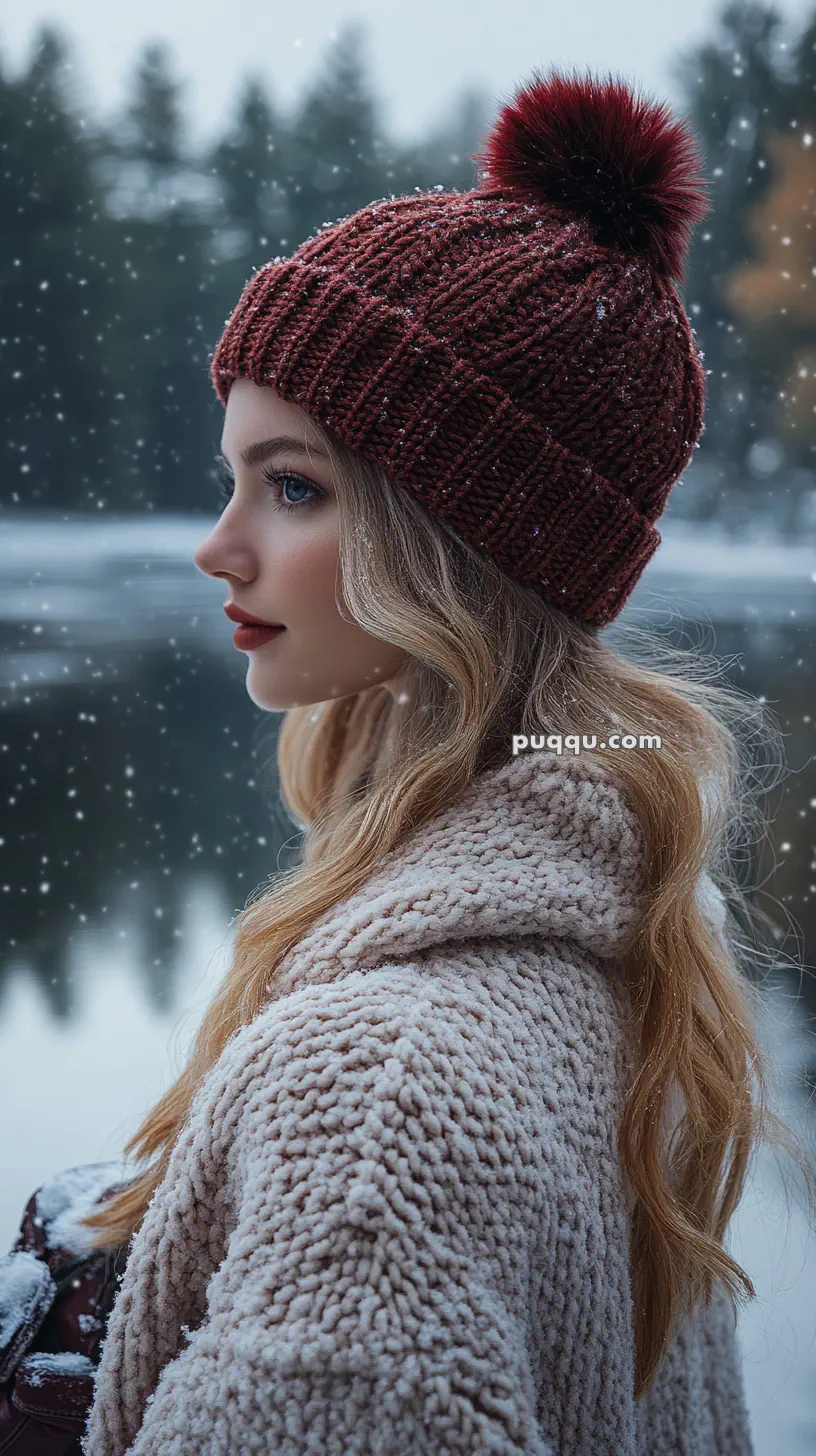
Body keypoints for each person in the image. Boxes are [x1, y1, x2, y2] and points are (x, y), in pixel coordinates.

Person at [8, 64, 814, 1455]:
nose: (221, 544)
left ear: (458, 545)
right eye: (232, 474)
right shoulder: (637, 970)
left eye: (295, 484)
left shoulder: (379, 1100)